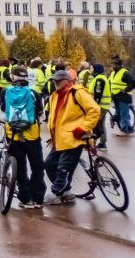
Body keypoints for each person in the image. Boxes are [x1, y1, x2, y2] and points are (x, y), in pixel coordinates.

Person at [43, 69, 101, 205]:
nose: (56, 82)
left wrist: (83, 128)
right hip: (59, 139)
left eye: (59, 80)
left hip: (75, 137)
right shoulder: (54, 96)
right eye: (54, 80)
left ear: (68, 81)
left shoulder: (77, 92)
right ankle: (67, 192)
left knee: (63, 168)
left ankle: (56, 191)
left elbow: (94, 110)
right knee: (49, 164)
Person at [3, 67, 46, 209]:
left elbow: (4, 109)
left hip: (13, 135)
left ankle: (26, 198)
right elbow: (39, 111)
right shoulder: (34, 93)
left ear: (13, 77)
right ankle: (38, 198)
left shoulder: (6, 91)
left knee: (20, 168)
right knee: (37, 166)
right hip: (32, 134)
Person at [108, 58, 135, 135]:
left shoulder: (125, 72)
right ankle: (129, 128)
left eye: (114, 64)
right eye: (112, 64)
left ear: (118, 65)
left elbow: (134, 82)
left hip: (123, 97)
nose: (112, 66)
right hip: (116, 97)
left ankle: (124, 130)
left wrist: (126, 89)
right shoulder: (113, 73)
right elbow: (109, 83)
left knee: (123, 114)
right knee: (119, 114)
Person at [88, 64, 112, 151]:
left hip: (100, 106)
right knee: (100, 124)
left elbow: (98, 93)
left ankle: (97, 143)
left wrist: (95, 105)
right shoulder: (101, 78)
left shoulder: (99, 79)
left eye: (92, 68)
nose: (91, 70)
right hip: (103, 105)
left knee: (97, 125)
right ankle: (102, 142)